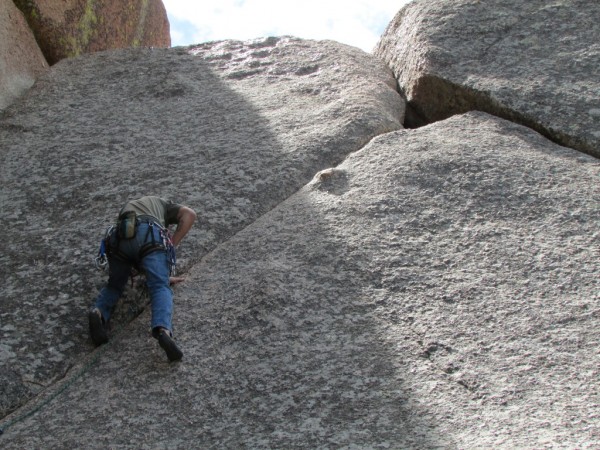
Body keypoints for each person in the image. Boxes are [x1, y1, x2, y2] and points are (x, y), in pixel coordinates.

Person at [89, 196, 196, 362]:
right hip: (149, 233)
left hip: (119, 238)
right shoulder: (164, 205)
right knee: (160, 287)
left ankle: (98, 312)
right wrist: (169, 247)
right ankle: (163, 331)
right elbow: (189, 215)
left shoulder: (129, 207)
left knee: (115, 286)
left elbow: (135, 252)